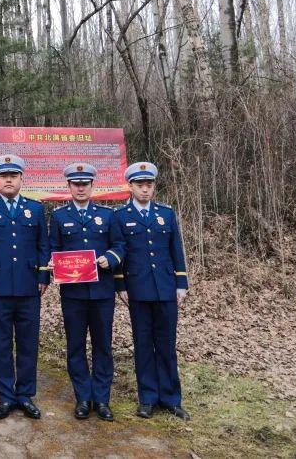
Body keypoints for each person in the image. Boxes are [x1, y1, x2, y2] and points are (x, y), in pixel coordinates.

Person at [0, 154, 50, 420]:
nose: (8, 179)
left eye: (13, 175)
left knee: (28, 343)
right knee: (1, 344)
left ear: (20, 179)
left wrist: (43, 277)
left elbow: (43, 246)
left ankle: (25, 394)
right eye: (3, 175)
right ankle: (6, 396)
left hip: (29, 288)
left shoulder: (36, 209)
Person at [112, 162, 190, 421]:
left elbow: (175, 250)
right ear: (130, 186)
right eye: (140, 185)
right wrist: (121, 284)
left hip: (166, 288)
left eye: (149, 185)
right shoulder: (120, 216)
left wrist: (181, 283)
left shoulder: (166, 214)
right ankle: (147, 398)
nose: (145, 189)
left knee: (166, 345)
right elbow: (119, 252)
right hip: (138, 289)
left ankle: (171, 398)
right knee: (143, 345)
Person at [49, 163, 125, 421]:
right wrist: (52, 263)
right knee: (76, 347)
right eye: (76, 184)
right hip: (73, 295)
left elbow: (120, 244)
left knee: (103, 346)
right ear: (69, 186)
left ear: (93, 186)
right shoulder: (59, 217)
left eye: (85, 184)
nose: (80, 188)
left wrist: (111, 258)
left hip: (102, 292)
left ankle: (102, 400)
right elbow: (53, 248)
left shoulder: (108, 215)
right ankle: (82, 397)